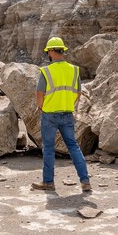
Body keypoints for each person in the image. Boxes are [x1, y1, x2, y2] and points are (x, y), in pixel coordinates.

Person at [30, 37, 92, 194]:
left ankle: (48, 182)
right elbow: (78, 92)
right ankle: (85, 181)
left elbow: (39, 93)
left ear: (50, 51)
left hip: (49, 114)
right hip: (67, 113)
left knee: (49, 148)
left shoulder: (47, 71)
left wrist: (42, 106)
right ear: (62, 50)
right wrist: (68, 103)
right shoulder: (73, 70)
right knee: (73, 146)